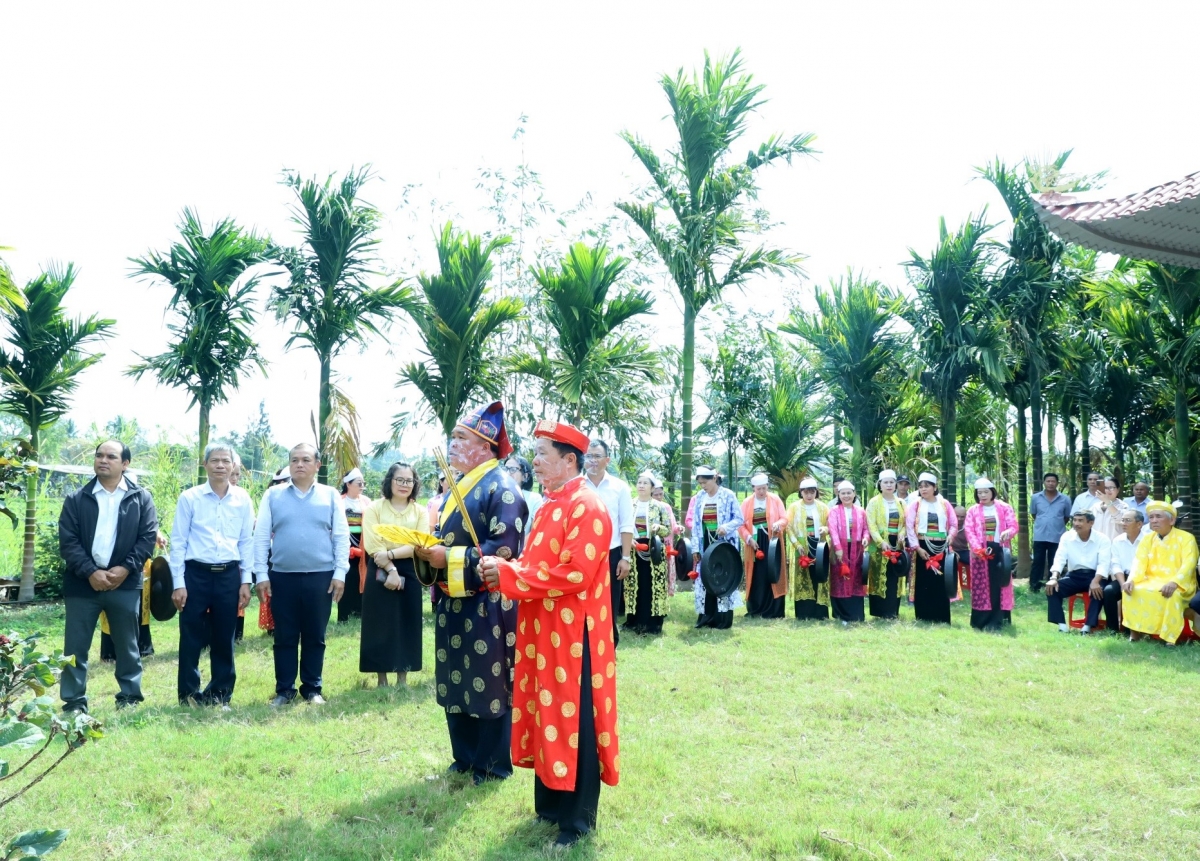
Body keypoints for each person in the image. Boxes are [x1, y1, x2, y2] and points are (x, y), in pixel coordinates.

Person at [480, 419, 618, 849]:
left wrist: (512, 576)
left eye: (542, 454)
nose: (533, 462)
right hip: (543, 631)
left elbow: (575, 574)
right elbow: (530, 564)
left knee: (573, 719)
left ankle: (577, 822)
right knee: (547, 714)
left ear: (569, 459)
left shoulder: (587, 506)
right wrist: (506, 573)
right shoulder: (548, 505)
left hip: (576, 636)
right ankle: (550, 806)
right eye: (535, 453)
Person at [414, 401, 527, 785]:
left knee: (488, 680)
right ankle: (462, 757)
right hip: (452, 602)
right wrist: (428, 552)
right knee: (453, 678)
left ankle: (492, 764)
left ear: (485, 444)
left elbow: (505, 549)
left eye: (461, 437)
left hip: (488, 603)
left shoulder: (503, 489)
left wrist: (448, 557)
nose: (452, 444)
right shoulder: (455, 488)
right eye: (453, 437)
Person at [58, 440, 158, 713]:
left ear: (125, 464)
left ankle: (129, 698)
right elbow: (68, 542)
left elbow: (146, 539)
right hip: (82, 584)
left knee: (127, 644)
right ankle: (74, 702)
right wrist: (91, 571)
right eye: (99, 455)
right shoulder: (77, 499)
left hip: (123, 584)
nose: (103, 460)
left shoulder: (141, 498)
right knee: (75, 647)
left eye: (111, 456)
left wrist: (125, 569)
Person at [253, 444, 350, 706]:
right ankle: (284, 690)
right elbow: (261, 536)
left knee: (315, 634)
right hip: (282, 577)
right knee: (284, 635)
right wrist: (261, 573)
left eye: (306, 460)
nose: (299, 464)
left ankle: (312, 688)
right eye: (294, 460)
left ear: (317, 465)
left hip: (321, 576)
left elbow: (341, 537)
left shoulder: (330, 496)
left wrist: (340, 572)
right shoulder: (273, 495)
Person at [169, 444, 254, 707]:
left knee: (224, 636)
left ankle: (220, 694)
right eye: (214, 460)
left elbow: (246, 542)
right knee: (191, 635)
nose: (220, 465)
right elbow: (178, 542)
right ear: (204, 465)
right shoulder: (190, 498)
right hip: (196, 574)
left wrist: (246, 581)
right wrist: (178, 583)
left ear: (232, 466)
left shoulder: (243, 499)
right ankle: (189, 695)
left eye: (225, 461)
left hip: (229, 574)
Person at [360, 462, 427, 688]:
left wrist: (391, 555)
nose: (404, 485)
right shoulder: (375, 508)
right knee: (380, 622)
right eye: (400, 479)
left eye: (409, 481)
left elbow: (420, 543)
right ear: (390, 481)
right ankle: (381, 679)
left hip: (411, 567)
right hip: (380, 567)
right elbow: (372, 543)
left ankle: (403, 678)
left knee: (407, 622)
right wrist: (391, 569)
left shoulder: (420, 511)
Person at [1123, 501, 1199, 644]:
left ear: (1172, 520)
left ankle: (1170, 638)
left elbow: (1189, 565)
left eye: (1158, 516)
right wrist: (1131, 579)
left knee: (1172, 595)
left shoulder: (1187, 538)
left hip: (1180, 583)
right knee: (1132, 589)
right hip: (1152, 579)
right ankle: (1135, 633)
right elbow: (1139, 562)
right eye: (1151, 517)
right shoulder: (1147, 539)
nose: (1154, 520)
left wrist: (1174, 582)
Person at [585, 440, 634, 646]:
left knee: (610, 603)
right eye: (589, 456)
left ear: (607, 460)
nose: (593, 461)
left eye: (597, 456)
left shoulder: (619, 487)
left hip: (611, 554)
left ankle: (608, 647)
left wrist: (625, 557)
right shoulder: (576, 485)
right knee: (583, 603)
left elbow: (626, 525)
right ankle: (585, 647)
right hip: (581, 555)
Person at [687, 466, 743, 628]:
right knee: (705, 577)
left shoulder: (728, 495)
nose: (703, 486)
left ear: (714, 478)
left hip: (723, 545)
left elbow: (739, 518)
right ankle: (706, 617)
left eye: (705, 482)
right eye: (700, 483)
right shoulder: (699, 498)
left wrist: (726, 527)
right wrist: (696, 549)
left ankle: (723, 619)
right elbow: (697, 524)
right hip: (705, 542)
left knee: (722, 577)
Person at [963, 477, 1016, 632]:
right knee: (982, 586)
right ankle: (981, 620)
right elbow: (969, 530)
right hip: (981, 552)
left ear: (992, 492)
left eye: (986, 492)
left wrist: (1008, 532)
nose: (983, 495)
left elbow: (1013, 525)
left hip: (999, 550)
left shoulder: (1005, 507)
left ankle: (998, 620)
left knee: (999, 584)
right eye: (979, 493)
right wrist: (977, 548)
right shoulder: (972, 510)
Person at [1045, 511, 1111, 633]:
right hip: (1074, 576)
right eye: (1074, 520)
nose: (1076, 523)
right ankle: (1062, 626)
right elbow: (1060, 558)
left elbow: (1104, 563)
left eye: (1080, 520)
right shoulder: (1067, 537)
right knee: (1052, 588)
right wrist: (1054, 578)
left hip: (1095, 576)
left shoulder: (1102, 539)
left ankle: (1088, 626)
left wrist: (1096, 581)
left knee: (1099, 591)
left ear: (1091, 523)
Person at [624, 472, 674, 634]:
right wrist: (628, 539)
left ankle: (653, 623)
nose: (641, 486)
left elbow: (668, 530)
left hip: (653, 549)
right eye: (639, 482)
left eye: (645, 483)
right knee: (635, 584)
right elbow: (623, 526)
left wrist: (658, 528)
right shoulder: (629, 505)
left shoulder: (660, 507)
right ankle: (634, 620)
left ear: (652, 488)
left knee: (652, 584)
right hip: (633, 547)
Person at [905, 472, 957, 625]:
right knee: (923, 581)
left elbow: (954, 524)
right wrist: (917, 548)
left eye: (927, 486)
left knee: (941, 581)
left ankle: (941, 617)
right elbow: (909, 527)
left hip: (941, 545)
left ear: (935, 487)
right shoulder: (915, 504)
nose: (923, 489)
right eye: (920, 487)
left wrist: (950, 536)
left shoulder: (944, 504)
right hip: (922, 546)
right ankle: (924, 616)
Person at [739, 473, 788, 619]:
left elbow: (784, 518)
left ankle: (775, 610)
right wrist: (748, 538)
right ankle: (756, 609)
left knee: (773, 572)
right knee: (757, 575)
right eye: (758, 489)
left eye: (764, 488)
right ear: (753, 488)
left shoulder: (775, 499)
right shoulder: (747, 502)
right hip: (754, 542)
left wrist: (778, 525)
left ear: (768, 487)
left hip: (772, 540)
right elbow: (740, 524)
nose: (761, 491)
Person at [786, 477, 830, 620]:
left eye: (812, 492)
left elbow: (830, 525)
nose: (809, 495)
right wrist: (797, 545)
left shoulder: (823, 507)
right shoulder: (794, 507)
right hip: (802, 547)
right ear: (801, 493)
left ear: (816, 492)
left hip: (819, 546)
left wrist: (826, 529)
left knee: (819, 575)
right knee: (803, 578)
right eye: (806, 492)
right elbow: (789, 527)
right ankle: (804, 613)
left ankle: (820, 613)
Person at [865, 469, 907, 619]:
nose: (889, 485)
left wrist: (902, 534)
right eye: (886, 482)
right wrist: (881, 542)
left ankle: (893, 611)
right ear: (880, 485)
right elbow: (871, 525)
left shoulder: (901, 502)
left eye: (891, 482)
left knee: (894, 576)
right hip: (879, 545)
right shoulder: (873, 502)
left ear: (895, 485)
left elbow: (905, 524)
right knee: (879, 576)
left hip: (897, 544)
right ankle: (880, 612)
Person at [1096, 508, 1146, 633]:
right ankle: (1112, 628)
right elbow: (1115, 564)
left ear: (1139, 524)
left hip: (1143, 578)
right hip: (1123, 577)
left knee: (1137, 592)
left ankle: (1133, 630)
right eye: (1123, 520)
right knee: (1109, 591)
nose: (1124, 523)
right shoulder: (1118, 540)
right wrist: (1123, 583)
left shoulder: (1148, 540)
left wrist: (1133, 581)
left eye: (1128, 520)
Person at [827, 480, 869, 623]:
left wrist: (865, 538)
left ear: (854, 494)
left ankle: (856, 615)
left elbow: (866, 529)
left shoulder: (861, 511)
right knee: (840, 580)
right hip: (840, 549)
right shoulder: (833, 511)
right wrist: (837, 548)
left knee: (856, 580)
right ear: (838, 495)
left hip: (857, 549)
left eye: (849, 493)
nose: (846, 496)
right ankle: (841, 615)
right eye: (843, 493)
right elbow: (832, 530)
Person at [257, 466, 291, 637]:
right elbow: (262, 532)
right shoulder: (272, 496)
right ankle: (273, 624)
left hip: (288, 553)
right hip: (273, 551)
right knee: (273, 591)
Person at [337, 467, 371, 623]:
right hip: (345, 543)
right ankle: (343, 614)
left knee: (360, 577)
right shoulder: (339, 501)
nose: (362, 486)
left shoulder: (366, 502)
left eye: (363, 483)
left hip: (362, 544)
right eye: (359, 483)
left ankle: (359, 611)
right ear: (348, 484)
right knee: (346, 577)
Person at [1029, 472, 1072, 592]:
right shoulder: (1036, 498)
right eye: (1048, 481)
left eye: (1053, 481)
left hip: (1057, 535)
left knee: (1055, 561)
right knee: (1038, 561)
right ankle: (1034, 585)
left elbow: (1066, 516)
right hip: (1040, 535)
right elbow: (1034, 514)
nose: (1051, 484)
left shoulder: (1065, 499)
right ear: (1044, 482)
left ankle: (1052, 585)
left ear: (1057, 483)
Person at [651, 482, 682, 598]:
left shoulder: (666, 507)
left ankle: (662, 599)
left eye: (661, 494)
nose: (659, 497)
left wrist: (679, 528)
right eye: (656, 495)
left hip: (666, 546)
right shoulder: (648, 508)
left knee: (664, 574)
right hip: (652, 545)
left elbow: (673, 525)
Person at [506, 455, 543, 534]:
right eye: (505, 469)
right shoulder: (494, 496)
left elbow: (534, 533)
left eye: (513, 469)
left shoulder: (534, 499)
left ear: (525, 476)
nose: (507, 473)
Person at [1093, 477, 1128, 541]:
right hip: (1097, 545)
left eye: (1111, 488)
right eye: (1105, 488)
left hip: (1115, 544)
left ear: (1118, 490)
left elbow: (1121, 519)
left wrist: (1107, 501)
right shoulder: (1095, 507)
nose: (1108, 490)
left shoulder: (1123, 506)